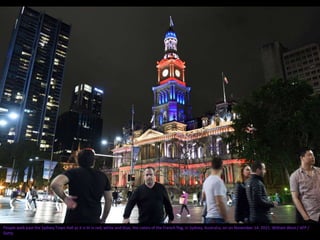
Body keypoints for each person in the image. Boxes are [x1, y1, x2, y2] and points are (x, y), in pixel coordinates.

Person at [50, 148, 112, 223]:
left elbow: (55, 184)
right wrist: (103, 219)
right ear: (93, 161)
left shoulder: (73, 173)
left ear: (78, 160)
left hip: (73, 218)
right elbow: (109, 199)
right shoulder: (103, 176)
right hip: (94, 219)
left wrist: (65, 198)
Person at [289, 148, 320, 223]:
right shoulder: (295, 176)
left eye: (313, 155)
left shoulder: (319, 171)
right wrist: (305, 217)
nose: (313, 157)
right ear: (302, 158)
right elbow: (295, 198)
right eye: (309, 155)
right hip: (311, 216)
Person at [202, 156, 229, 224]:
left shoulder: (206, 181)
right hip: (217, 218)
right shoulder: (218, 181)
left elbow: (203, 197)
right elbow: (219, 202)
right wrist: (226, 218)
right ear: (221, 166)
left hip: (209, 217)